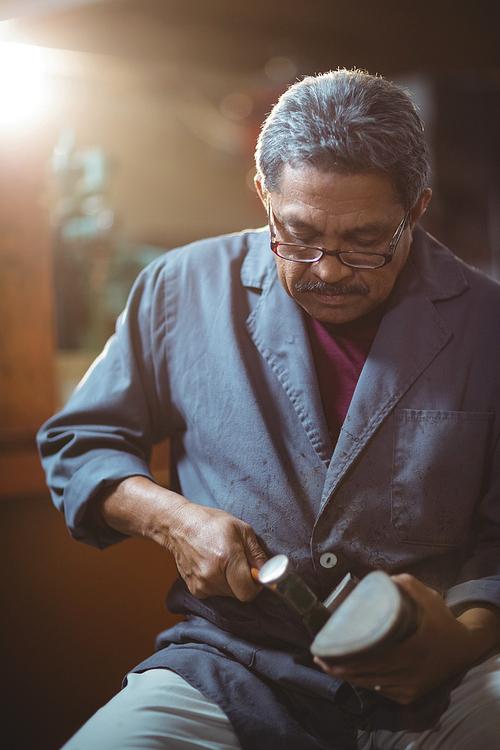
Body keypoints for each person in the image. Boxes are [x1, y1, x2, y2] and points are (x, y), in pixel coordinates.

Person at [37, 69, 500, 750]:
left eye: (367, 240)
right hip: (232, 664)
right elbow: (80, 442)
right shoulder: (179, 288)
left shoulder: (487, 321)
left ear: (418, 209)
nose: (330, 268)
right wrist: (172, 519)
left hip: (442, 674)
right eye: (299, 234)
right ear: (263, 196)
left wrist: (462, 643)